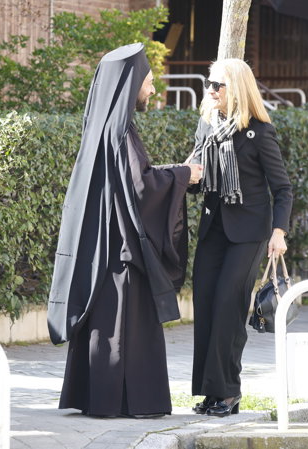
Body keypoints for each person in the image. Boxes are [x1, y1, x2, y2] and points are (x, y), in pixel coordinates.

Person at [47, 43, 202, 418]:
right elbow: (142, 188)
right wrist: (184, 174)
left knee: (106, 326)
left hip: (105, 249)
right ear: (131, 85)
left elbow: (133, 180)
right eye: (148, 82)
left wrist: (173, 175)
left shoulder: (101, 129)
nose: (153, 89)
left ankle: (96, 398)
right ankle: (123, 402)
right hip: (122, 254)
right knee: (122, 329)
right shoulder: (120, 132)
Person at [189, 58, 292, 417]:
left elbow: (283, 188)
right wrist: (184, 177)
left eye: (218, 84)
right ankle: (209, 391)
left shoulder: (259, 131)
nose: (211, 90)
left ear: (236, 88)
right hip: (213, 228)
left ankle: (228, 392)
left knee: (228, 307)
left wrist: (278, 232)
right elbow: (198, 177)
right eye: (209, 83)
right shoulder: (207, 125)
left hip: (248, 233)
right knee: (205, 305)